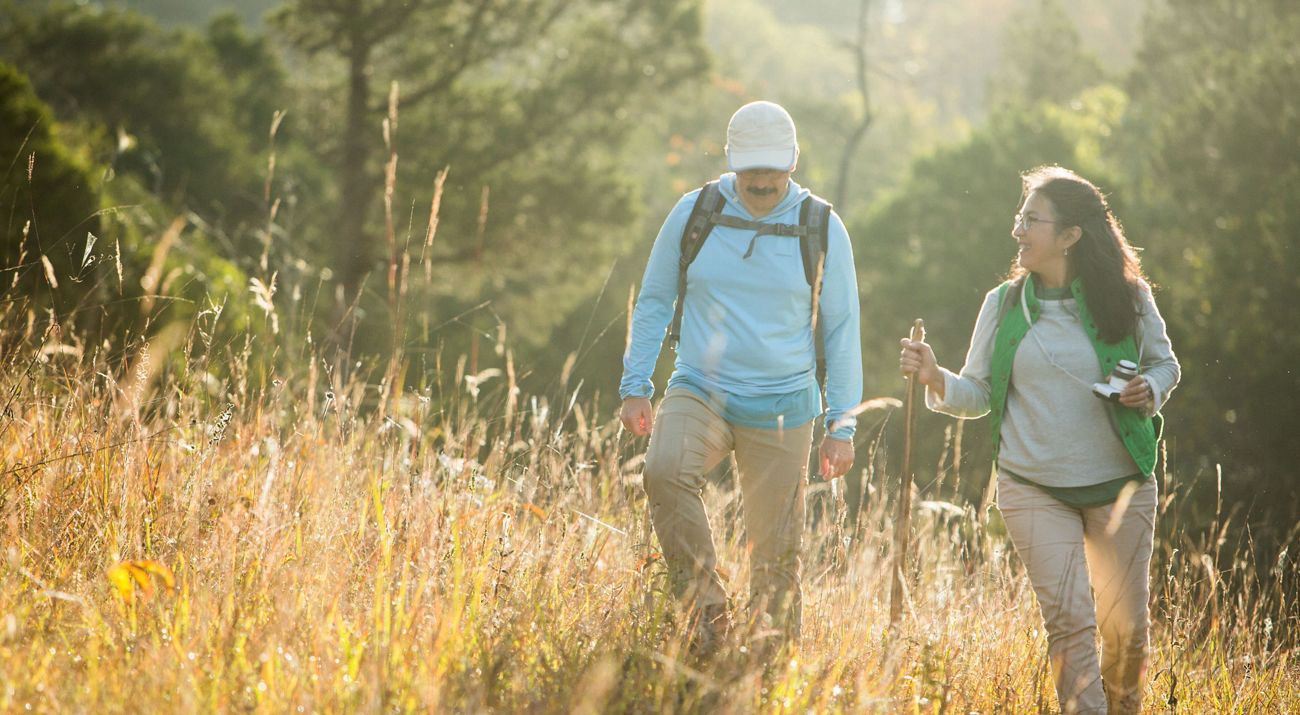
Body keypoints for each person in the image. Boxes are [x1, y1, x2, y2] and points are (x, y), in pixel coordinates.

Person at [899, 165, 1180, 714]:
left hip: (1121, 486)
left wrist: (1150, 388)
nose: (1018, 231)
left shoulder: (1130, 297)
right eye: (1019, 217)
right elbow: (978, 394)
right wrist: (936, 377)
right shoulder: (1003, 304)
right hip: (1033, 488)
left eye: (1032, 220)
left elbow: (1165, 365)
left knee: (1127, 637)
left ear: (1071, 235)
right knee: (1071, 625)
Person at [619, 101, 863, 654]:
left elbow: (843, 329)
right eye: (750, 168)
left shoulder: (820, 225)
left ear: (793, 162)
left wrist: (841, 423)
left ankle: (769, 667)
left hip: (784, 403)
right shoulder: (696, 211)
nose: (760, 180)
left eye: (772, 168)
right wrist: (636, 383)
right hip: (699, 387)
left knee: (776, 555)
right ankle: (707, 617)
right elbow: (656, 299)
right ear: (732, 161)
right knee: (662, 472)